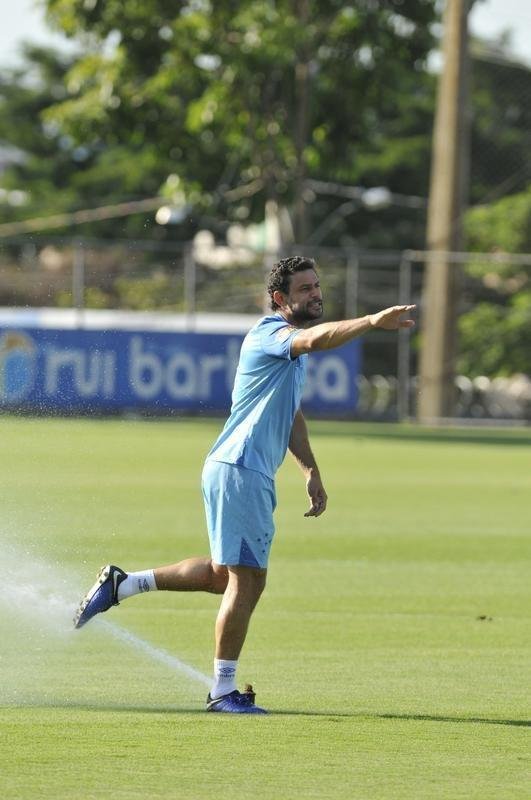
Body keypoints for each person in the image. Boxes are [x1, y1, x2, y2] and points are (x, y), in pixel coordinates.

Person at [74, 255, 415, 714]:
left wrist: (310, 469)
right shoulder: (271, 335)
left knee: (223, 576)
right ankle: (222, 691)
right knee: (249, 580)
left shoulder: (288, 352)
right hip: (240, 470)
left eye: (317, 286)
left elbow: (291, 413)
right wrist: (373, 320)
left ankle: (123, 585)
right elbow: (316, 338)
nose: (315, 294)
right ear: (280, 299)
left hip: (240, 470)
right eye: (305, 289)